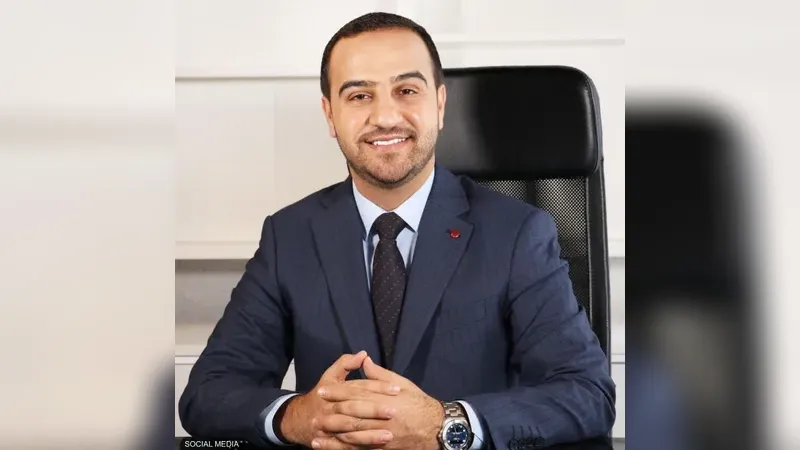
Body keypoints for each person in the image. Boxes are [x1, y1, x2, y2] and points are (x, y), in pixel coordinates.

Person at [179, 12, 615, 450]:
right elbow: (208, 392)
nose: (386, 116)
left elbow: (586, 392)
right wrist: (296, 416)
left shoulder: (518, 233)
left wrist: (446, 424)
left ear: (439, 105)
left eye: (406, 90)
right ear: (330, 115)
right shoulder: (289, 236)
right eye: (359, 96)